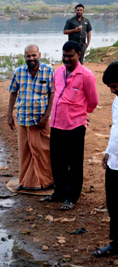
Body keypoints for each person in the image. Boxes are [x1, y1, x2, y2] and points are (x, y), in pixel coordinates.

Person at [41, 41, 98, 210]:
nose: (66, 59)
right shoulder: (58, 72)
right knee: (57, 161)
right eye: (64, 56)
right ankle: (59, 193)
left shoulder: (86, 75)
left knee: (74, 163)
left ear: (79, 55)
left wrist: (80, 113)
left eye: (70, 56)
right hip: (56, 123)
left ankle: (72, 197)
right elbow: (55, 93)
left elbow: (93, 101)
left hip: (75, 126)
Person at [7, 44, 54, 191]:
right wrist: (9, 115)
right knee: (25, 152)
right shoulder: (19, 72)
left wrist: (46, 116)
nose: (31, 58)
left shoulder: (48, 71)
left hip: (41, 121)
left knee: (45, 150)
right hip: (24, 119)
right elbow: (13, 93)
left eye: (34, 55)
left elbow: (53, 93)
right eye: (28, 56)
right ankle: (28, 183)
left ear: (39, 54)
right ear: (25, 57)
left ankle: (47, 181)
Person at [94, 62, 118, 257]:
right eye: (110, 87)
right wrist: (107, 152)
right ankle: (116, 242)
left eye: (115, 86)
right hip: (115, 160)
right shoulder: (117, 101)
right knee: (113, 202)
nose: (112, 90)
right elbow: (115, 130)